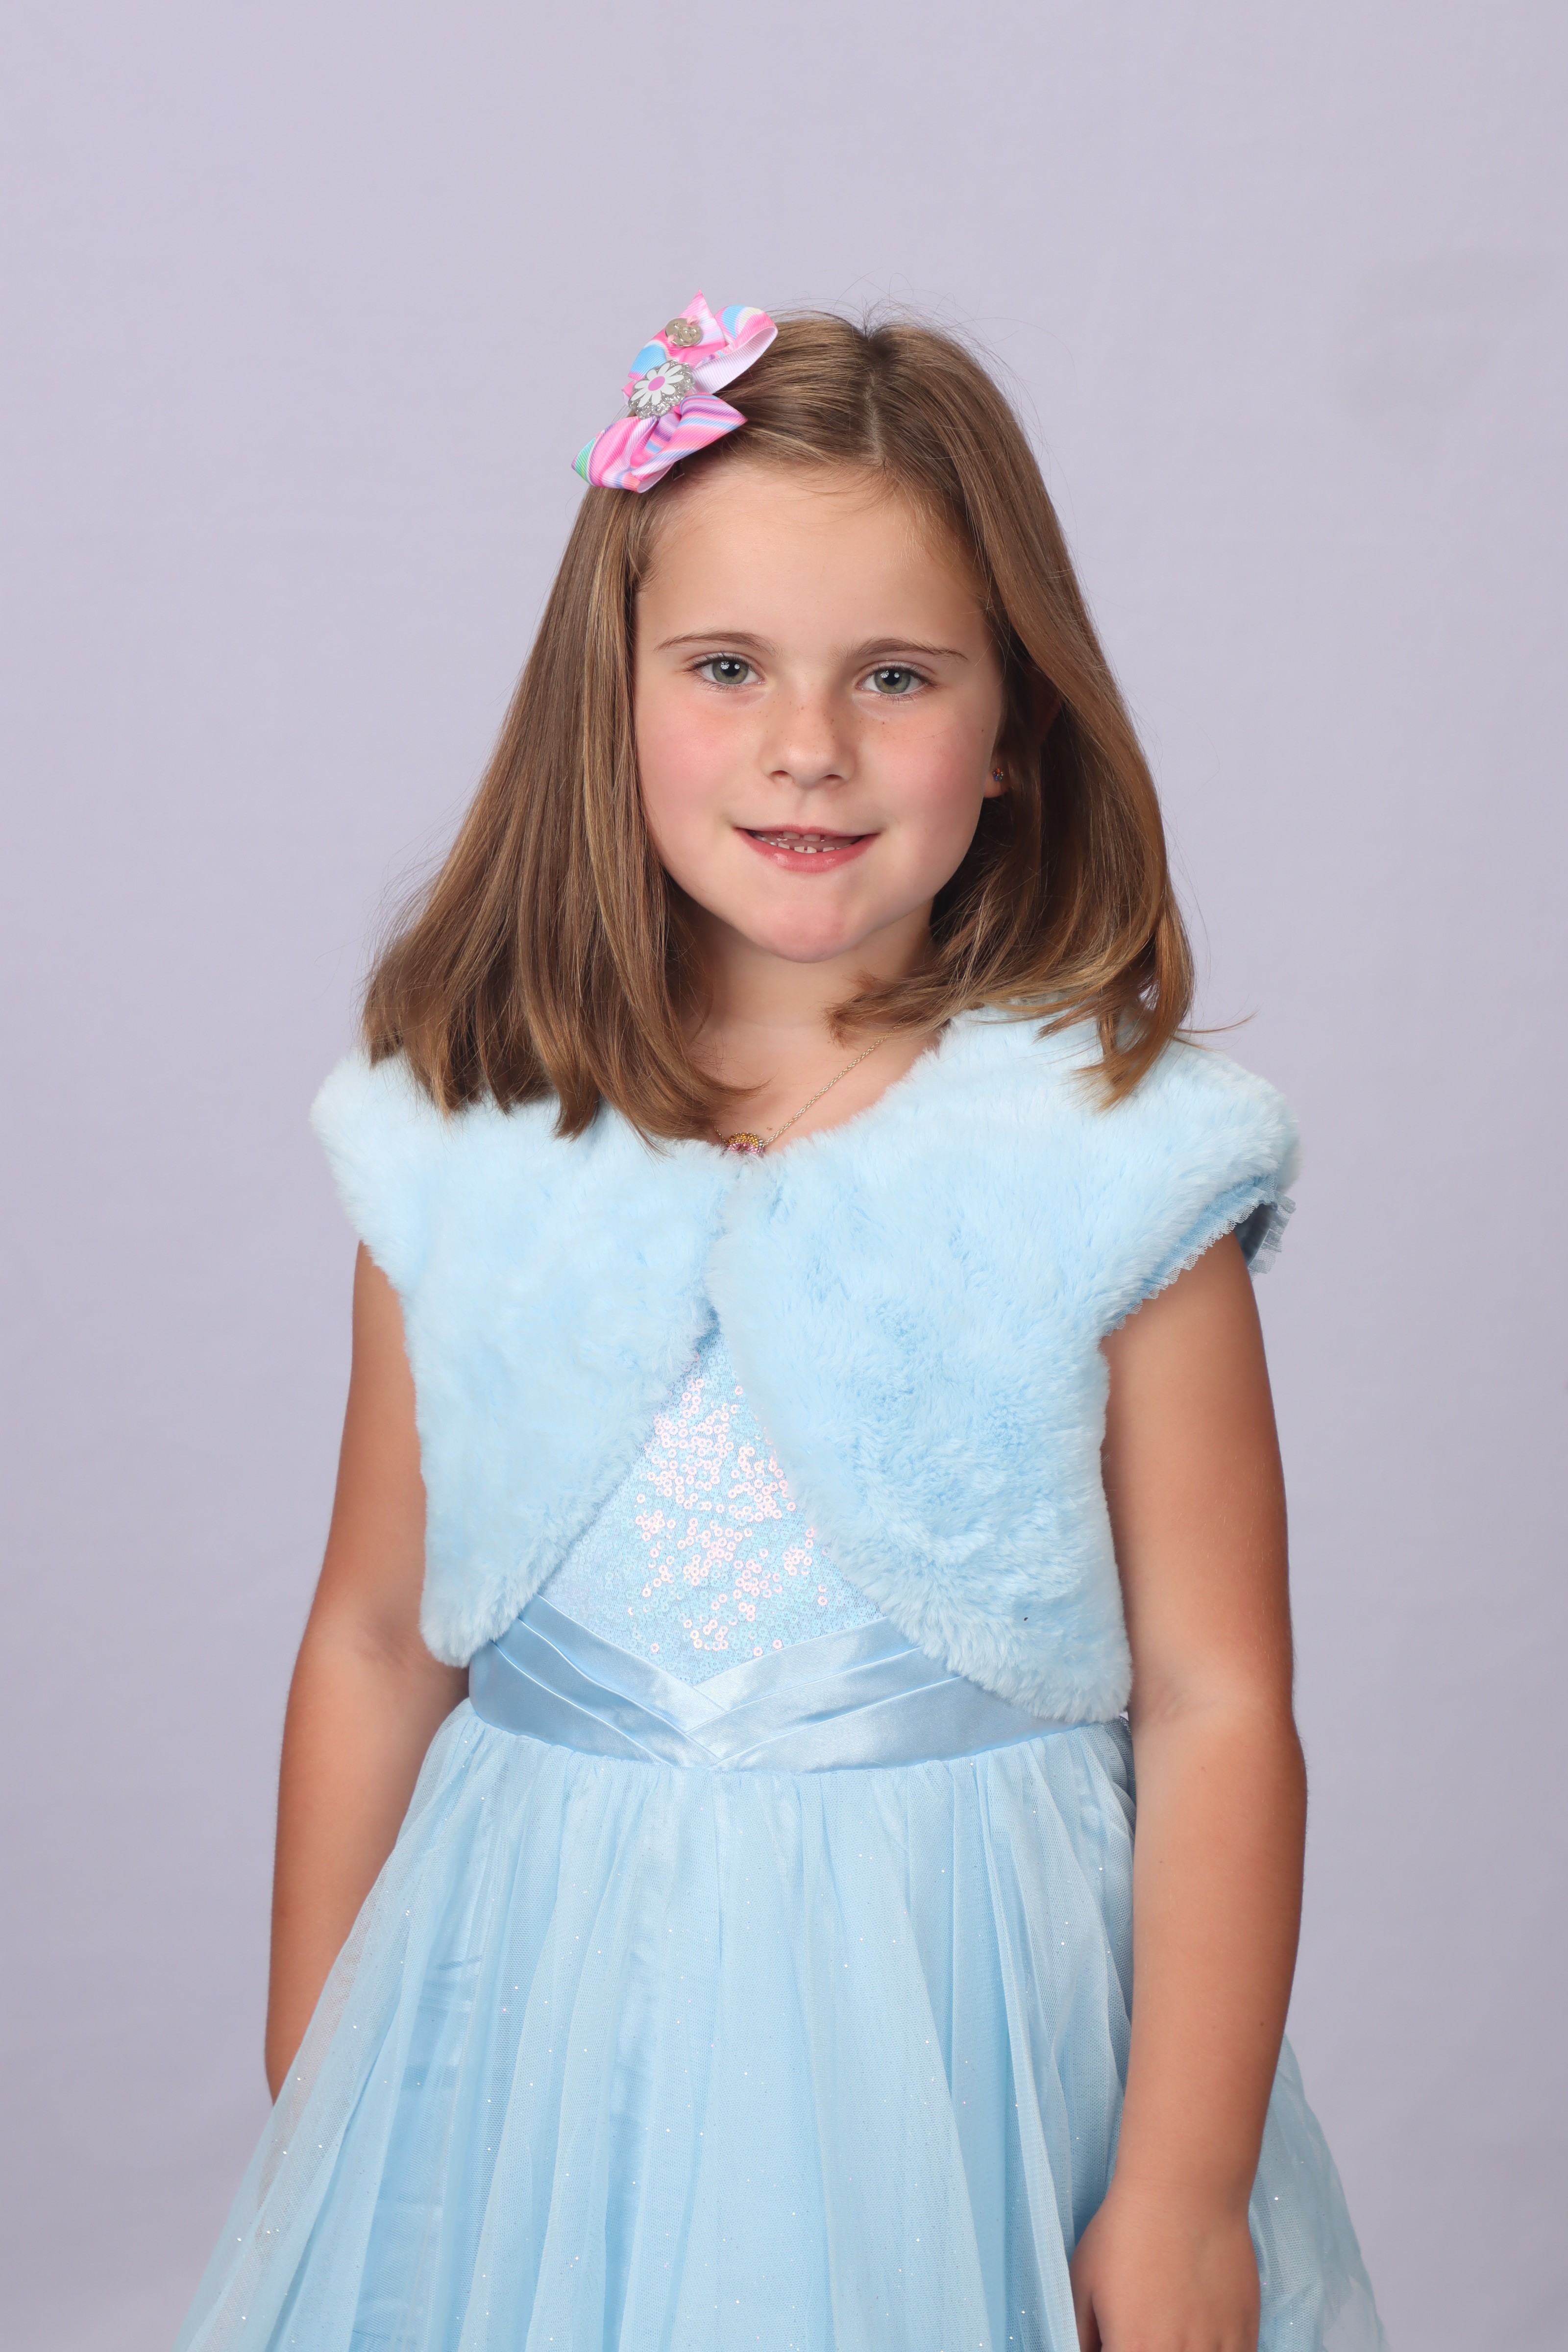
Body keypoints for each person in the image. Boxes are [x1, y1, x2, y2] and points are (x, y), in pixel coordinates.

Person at [174, 295, 1386, 2352]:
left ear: (1012, 731)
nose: (805, 745)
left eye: (894, 676)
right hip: (535, 2024)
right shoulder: (460, 1137)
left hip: (966, 2026)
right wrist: (327, 2086)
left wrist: (1182, 2195)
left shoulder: (1116, 1159)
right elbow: (378, 1636)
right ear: (611, 697)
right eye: (726, 666)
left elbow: (1212, 1696)